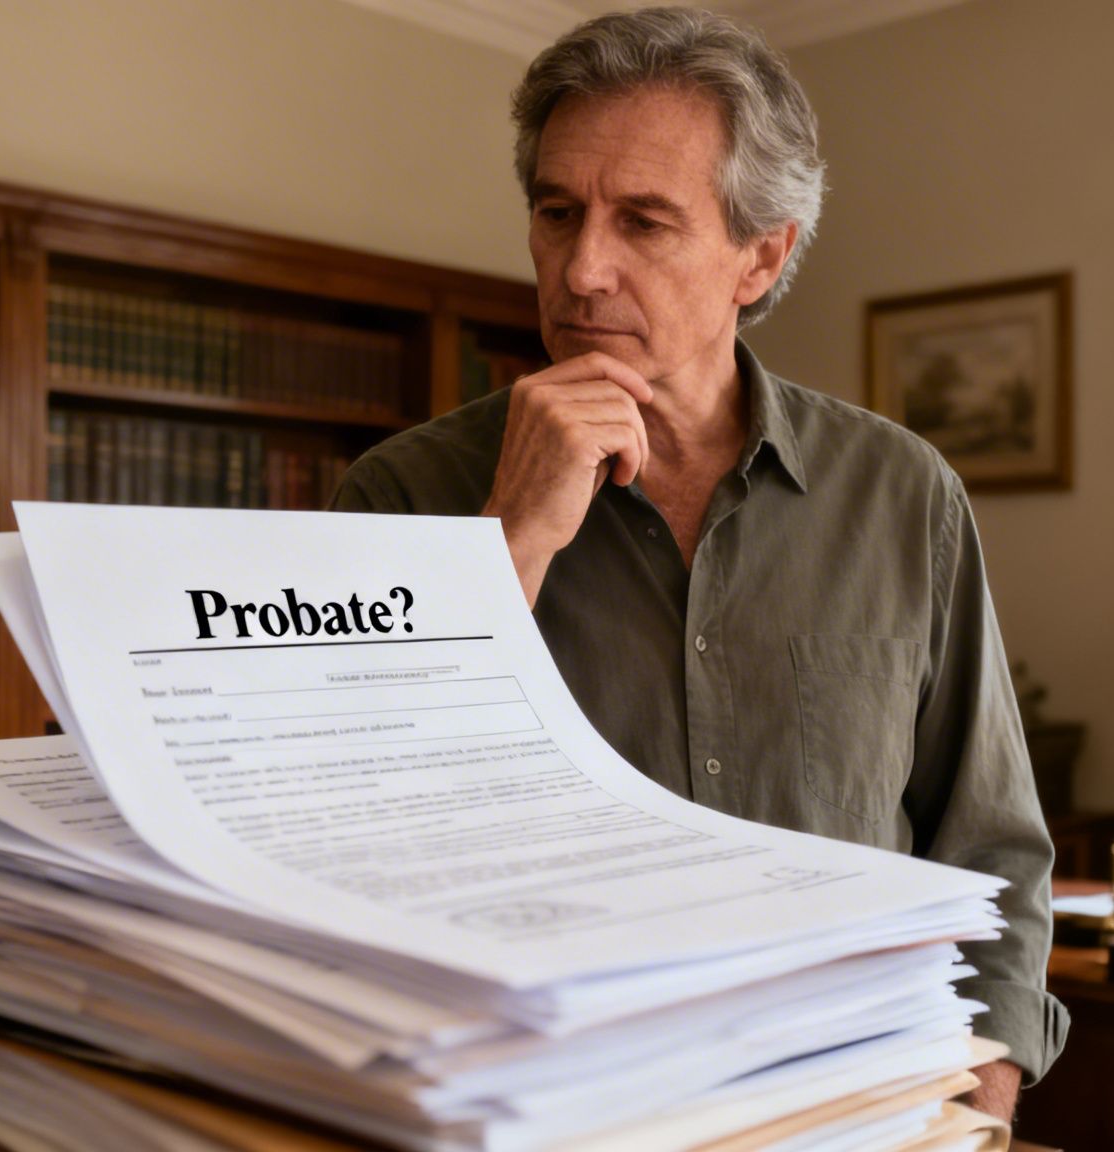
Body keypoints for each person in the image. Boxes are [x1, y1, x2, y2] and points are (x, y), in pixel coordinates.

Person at [332, 6, 1065, 1118]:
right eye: (556, 212)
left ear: (757, 256)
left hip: (860, 1106)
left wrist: (982, 1102)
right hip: (544, 1113)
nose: (582, 270)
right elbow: (353, 833)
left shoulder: (902, 495)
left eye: (643, 222)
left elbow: (990, 844)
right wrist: (510, 539)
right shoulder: (401, 497)